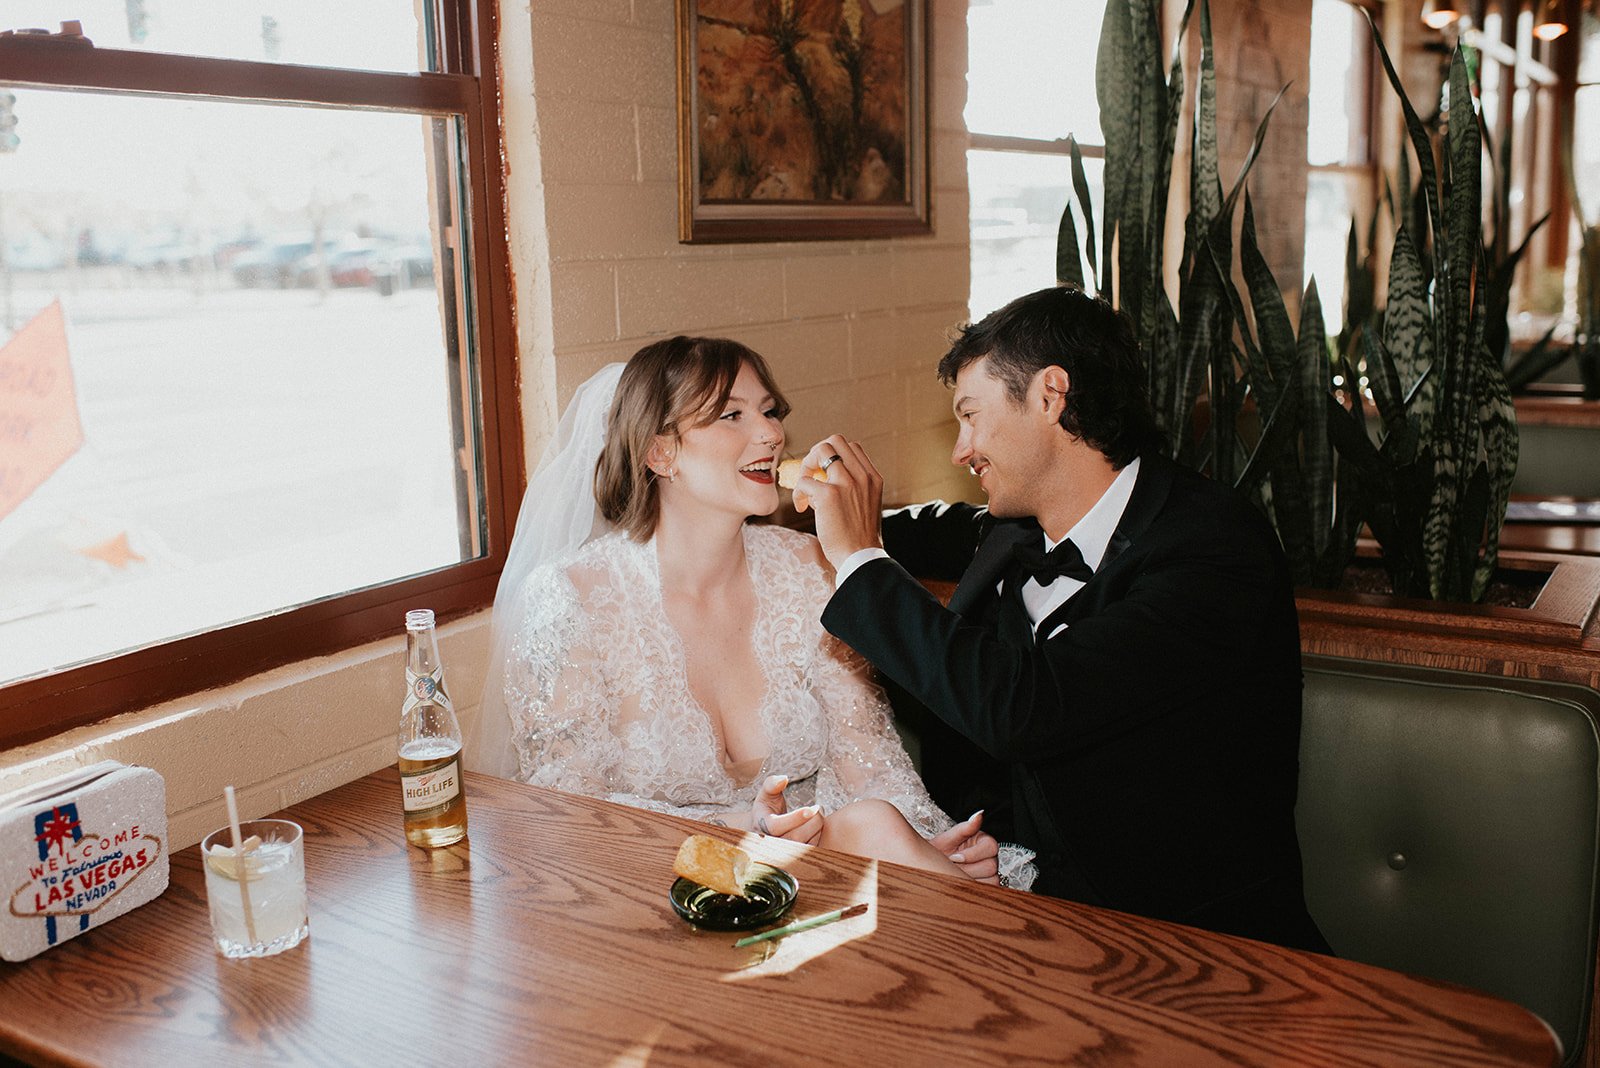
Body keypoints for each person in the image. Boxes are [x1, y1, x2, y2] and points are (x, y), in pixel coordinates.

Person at [792, 286, 1330, 952]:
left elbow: (1026, 708)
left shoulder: (1215, 550)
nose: (960, 450)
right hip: (1023, 916)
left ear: (1050, 395)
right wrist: (795, 515)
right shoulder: (1015, 529)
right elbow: (922, 528)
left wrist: (859, 558)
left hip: (1197, 944)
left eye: (971, 415)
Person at [475, 336, 1035, 889]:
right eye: (731, 415)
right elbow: (572, 811)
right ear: (660, 453)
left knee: (880, 825)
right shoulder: (571, 597)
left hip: (813, 873)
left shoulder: (811, 568)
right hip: (649, 881)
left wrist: (925, 844)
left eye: (769, 412)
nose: (770, 434)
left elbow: (870, 763)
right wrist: (742, 827)